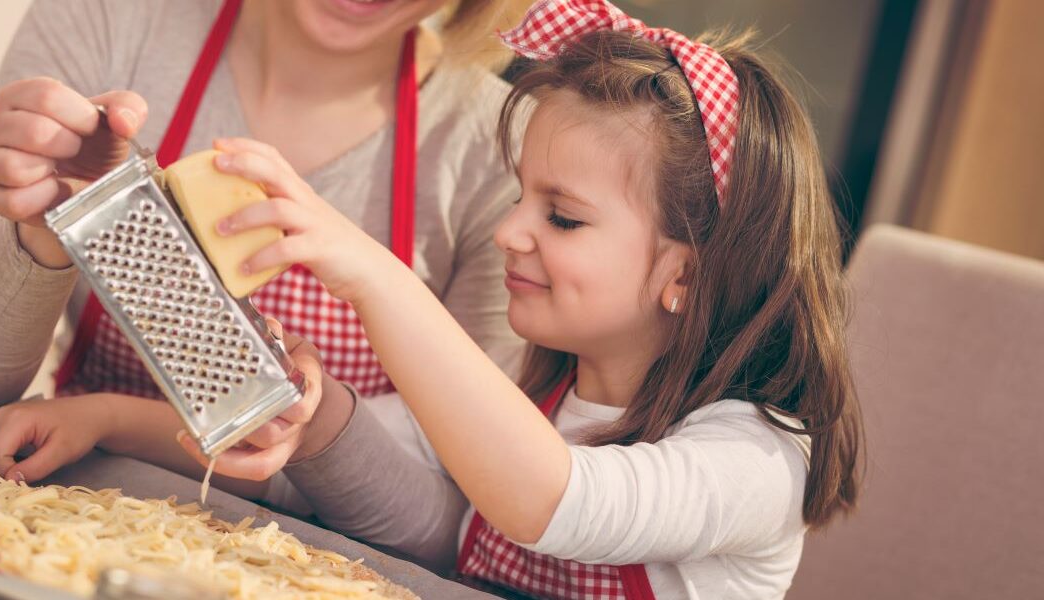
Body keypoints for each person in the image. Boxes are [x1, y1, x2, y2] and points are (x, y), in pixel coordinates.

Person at [182, 1, 861, 595]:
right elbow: (350, 463)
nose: (509, 233)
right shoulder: (531, 387)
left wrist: (373, 273)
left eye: (562, 217)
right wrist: (113, 419)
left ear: (686, 275)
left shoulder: (756, 463)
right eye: (520, 198)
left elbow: (550, 500)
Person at [0, 0, 529, 506]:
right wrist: (45, 225)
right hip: (61, 511)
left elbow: (462, 504)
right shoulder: (106, 18)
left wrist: (113, 418)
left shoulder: (506, 149)